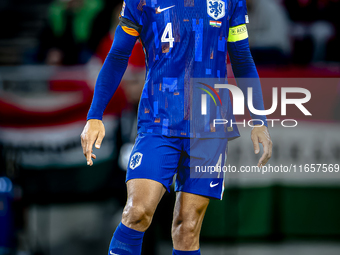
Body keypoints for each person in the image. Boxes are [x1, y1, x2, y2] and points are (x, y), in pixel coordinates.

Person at [81, 0, 272, 254]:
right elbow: (117, 55)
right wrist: (95, 115)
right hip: (158, 123)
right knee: (137, 212)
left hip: (209, 128)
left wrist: (259, 120)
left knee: (187, 227)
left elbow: (242, 59)